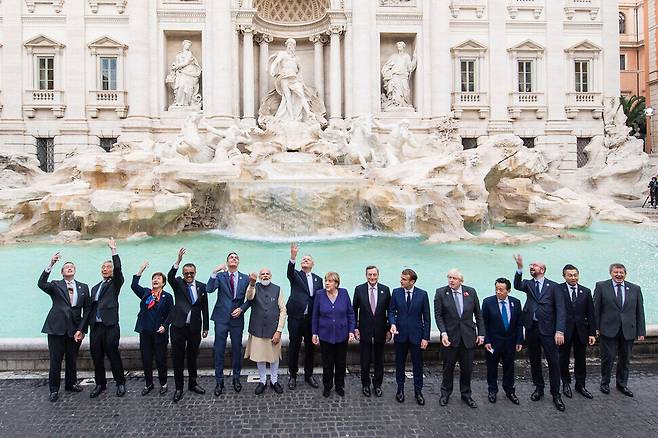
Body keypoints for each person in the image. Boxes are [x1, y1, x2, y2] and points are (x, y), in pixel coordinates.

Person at [513, 254, 566, 411]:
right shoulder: (528, 284)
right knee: (534, 360)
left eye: (534, 265)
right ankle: (539, 388)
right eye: (530, 265)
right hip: (531, 328)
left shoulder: (554, 287)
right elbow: (516, 285)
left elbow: (561, 310)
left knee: (554, 362)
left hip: (549, 330)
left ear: (542, 269)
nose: (531, 267)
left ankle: (556, 394)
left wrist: (560, 331)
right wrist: (520, 268)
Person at [38, 252, 91, 402]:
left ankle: (71, 383)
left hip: (74, 328)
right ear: (62, 272)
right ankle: (54, 389)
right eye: (66, 267)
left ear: (75, 271)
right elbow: (41, 283)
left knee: (72, 358)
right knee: (55, 360)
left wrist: (82, 329)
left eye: (72, 267)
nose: (69, 268)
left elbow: (87, 310)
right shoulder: (55, 285)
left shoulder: (84, 287)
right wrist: (51, 264)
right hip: (56, 327)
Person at [80, 238, 126, 399]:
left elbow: (119, 269)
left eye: (108, 267)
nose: (105, 269)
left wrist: (114, 250)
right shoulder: (94, 288)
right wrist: (82, 329)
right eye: (103, 267)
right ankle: (100, 383)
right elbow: (89, 310)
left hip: (111, 325)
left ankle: (120, 382)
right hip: (96, 327)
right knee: (96, 355)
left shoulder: (115, 283)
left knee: (113, 353)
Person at [434, 269, 485, 408]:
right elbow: (438, 316)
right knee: (448, 367)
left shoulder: (471, 292)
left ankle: (466, 394)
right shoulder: (440, 293)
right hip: (450, 337)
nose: (451, 280)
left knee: (467, 368)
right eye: (449, 277)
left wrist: (481, 333)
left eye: (454, 278)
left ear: (461, 280)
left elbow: (478, 314)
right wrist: (443, 333)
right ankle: (445, 394)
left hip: (468, 337)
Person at [593, 263, 646, 397]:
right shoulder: (601, 286)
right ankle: (605, 383)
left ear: (625, 274)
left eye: (621, 272)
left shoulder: (635, 289)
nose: (618, 275)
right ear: (611, 273)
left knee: (625, 359)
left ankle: (622, 384)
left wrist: (641, 331)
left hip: (628, 330)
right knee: (607, 358)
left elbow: (640, 311)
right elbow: (596, 309)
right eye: (616, 272)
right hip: (608, 329)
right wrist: (595, 328)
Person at [166, 248, 209, 402]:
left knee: (192, 357)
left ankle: (193, 383)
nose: (189, 275)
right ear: (183, 274)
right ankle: (179, 388)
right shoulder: (178, 283)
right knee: (177, 358)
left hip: (194, 328)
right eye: (186, 273)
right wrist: (178, 261)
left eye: (191, 273)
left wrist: (206, 327)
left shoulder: (202, 286)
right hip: (178, 327)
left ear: (195, 273)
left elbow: (205, 307)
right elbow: (170, 276)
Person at [206, 252, 251, 396]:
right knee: (219, 349)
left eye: (236, 257)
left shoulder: (245, 278)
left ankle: (236, 378)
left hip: (237, 319)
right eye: (231, 257)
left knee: (237, 349)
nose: (234, 259)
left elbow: (250, 299)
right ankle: (219, 381)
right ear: (227, 262)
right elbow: (209, 289)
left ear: (238, 262)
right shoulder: (220, 276)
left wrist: (242, 309)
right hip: (221, 318)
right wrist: (214, 271)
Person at [389, 269, 430, 406]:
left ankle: (418, 391)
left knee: (418, 365)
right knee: (399, 364)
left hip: (416, 336)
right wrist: (393, 324)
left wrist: (425, 338)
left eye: (404, 279)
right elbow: (391, 311)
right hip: (400, 335)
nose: (401, 281)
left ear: (411, 281)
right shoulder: (396, 292)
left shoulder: (423, 295)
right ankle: (400, 389)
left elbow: (427, 318)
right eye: (401, 278)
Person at [131, 261, 174, 396]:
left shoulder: (167, 297)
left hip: (160, 334)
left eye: (158, 278)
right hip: (145, 332)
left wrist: (165, 326)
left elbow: (171, 314)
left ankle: (163, 383)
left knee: (161, 360)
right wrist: (140, 270)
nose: (155, 280)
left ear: (163, 283)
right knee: (146, 359)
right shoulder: (146, 293)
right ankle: (148, 384)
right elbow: (133, 285)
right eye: (154, 278)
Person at [312, 272, 356, 397]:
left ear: (336, 283)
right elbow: (315, 316)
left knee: (341, 363)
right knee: (327, 364)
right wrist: (314, 333)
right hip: (325, 335)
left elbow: (350, 314)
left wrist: (351, 330)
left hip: (342, 335)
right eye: (326, 280)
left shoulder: (344, 293)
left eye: (330, 281)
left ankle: (339, 385)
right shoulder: (320, 295)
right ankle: (327, 386)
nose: (327, 283)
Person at [286, 243, 323, 390]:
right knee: (293, 347)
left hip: (311, 319)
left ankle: (309, 375)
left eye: (308, 259)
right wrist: (293, 256)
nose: (305, 260)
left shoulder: (318, 279)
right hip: (295, 317)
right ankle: (293, 376)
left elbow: (320, 299)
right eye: (304, 259)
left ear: (313, 264)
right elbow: (289, 271)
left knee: (310, 348)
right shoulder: (295, 275)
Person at [244, 268, 286, 395]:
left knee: (274, 357)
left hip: (273, 330)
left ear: (271, 276)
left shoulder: (278, 289)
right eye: (263, 274)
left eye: (267, 274)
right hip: (257, 329)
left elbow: (283, 310)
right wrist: (251, 283)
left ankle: (274, 380)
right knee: (260, 357)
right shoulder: (254, 287)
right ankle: (262, 381)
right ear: (259, 276)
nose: (265, 276)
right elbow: (249, 297)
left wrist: (279, 330)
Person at [482, 278, 524, 405]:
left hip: (510, 342)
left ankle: (509, 390)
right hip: (493, 342)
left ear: (508, 290)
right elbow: (484, 324)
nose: (498, 292)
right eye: (496, 289)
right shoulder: (488, 302)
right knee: (492, 367)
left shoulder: (516, 303)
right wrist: (486, 341)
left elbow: (518, 324)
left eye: (501, 290)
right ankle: (492, 390)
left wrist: (519, 341)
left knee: (509, 367)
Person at [558, 264, 596, 399]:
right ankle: (565, 383)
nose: (573, 278)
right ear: (564, 276)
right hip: (564, 332)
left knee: (581, 359)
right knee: (563, 359)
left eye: (575, 275)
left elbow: (591, 314)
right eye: (570, 275)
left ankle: (580, 385)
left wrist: (592, 333)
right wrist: (557, 331)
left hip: (581, 332)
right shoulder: (558, 289)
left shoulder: (585, 291)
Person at [353, 265, 391, 397]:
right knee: (365, 359)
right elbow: (354, 310)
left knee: (379, 359)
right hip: (364, 330)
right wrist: (355, 328)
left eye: (374, 275)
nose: (372, 277)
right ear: (366, 275)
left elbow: (389, 312)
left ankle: (377, 385)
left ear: (378, 275)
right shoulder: (359, 289)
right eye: (370, 275)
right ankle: (365, 384)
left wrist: (389, 329)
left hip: (381, 330)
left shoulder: (385, 290)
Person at [381, 41, 417, 110]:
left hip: (403, 76)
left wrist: (415, 58)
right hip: (395, 76)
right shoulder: (394, 56)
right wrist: (387, 72)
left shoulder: (406, 56)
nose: (399, 48)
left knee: (405, 90)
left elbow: (410, 67)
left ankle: (405, 104)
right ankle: (395, 104)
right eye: (398, 47)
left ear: (403, 47)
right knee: (395, 91)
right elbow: (387, 66)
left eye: (400, 46)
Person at [167, 39, 202, 108]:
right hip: (180, 73)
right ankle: (179, 102)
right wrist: (174, 66)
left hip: (189, 72)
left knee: (186, 86)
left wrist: (177, 66)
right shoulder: (179, 55)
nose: (188, 46)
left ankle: (187, 103)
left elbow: (186, 62)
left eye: (189, 45)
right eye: (187, 45)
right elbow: (176, 62)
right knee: (180, 86)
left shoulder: (189, 53)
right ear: (183, 45)